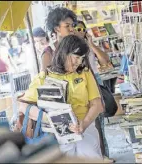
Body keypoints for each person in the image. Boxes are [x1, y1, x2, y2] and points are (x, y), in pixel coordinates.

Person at [18, 35, 103, 159]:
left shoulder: (84, 73)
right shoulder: (44, 78)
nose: (79, 62)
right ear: (64, 53)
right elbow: (23, 106)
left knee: (91, 155)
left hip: (85, 127)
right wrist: (49, 118)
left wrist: (83, 124)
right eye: (76, 57)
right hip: (56, 134)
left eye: (82, 58)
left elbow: (97, 104)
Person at [46, 8, 113, 161]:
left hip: (87, 107)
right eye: (67, 26)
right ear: (57, 28)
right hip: (62, 119)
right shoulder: (50, 53)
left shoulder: (80, 46)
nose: (72, 29)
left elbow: (99, 64)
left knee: (92, 146)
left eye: (72, 25)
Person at [75, 20, 112, 159]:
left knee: (99, 121)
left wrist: (91, 44)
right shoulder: (70, 47)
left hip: (95, 80)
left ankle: (104, 155)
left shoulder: (89, 46)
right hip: (80, 85)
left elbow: (105, 60)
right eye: (76, 28)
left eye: (81, 29)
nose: (79, 31)